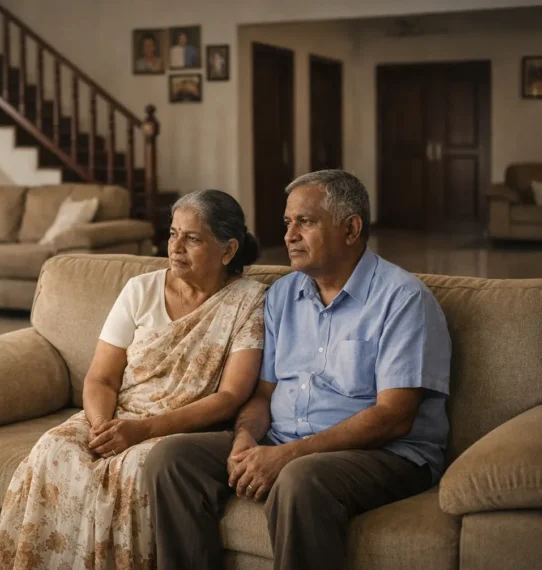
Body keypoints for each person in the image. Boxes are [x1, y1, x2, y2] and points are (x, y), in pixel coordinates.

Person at [144, 170, 451, 570]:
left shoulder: (403, 299)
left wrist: (289, 455)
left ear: (351, 228)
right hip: (283, 438)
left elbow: (394, 417)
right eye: (288, 223)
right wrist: (244, 439)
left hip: (387, 454)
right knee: (170, 458)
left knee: (299, 478)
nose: (289, 235)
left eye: (305, 222)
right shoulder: (283, 295)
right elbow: (264, 395)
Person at [0, 190, 265, 569]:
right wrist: (103, 427)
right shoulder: (141, 289)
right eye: (173, 234)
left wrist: (140, 431)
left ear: (228, 249)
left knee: (133, 470)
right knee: (53, 450)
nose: (176, 247)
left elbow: (231, 396)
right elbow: (102, 377)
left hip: (181, 428)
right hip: (116, 414)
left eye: (192, 238)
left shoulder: (249, 301)